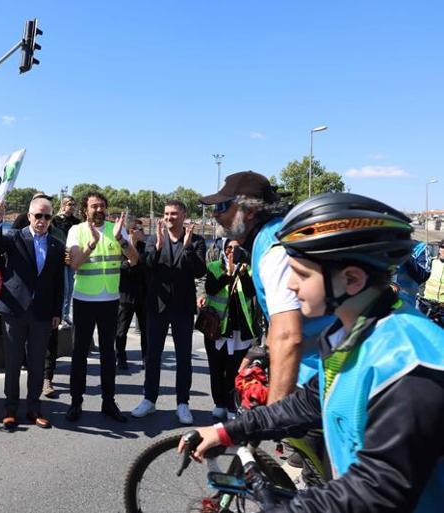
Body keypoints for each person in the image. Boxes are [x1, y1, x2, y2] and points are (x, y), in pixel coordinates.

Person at [182, 193, 444, 513]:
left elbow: (377, 491)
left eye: (302, 274)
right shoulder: (351, 331)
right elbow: (308, 401)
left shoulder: (409, 365)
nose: (290, 285)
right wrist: (226, 431)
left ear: (351, 279)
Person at [199, 171, 331, 404]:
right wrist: (262, 351)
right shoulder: (268, 237)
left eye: (222, 207)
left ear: (249, 212)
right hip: (315, 372)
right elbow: (281, 317)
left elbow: (289, 335)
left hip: (323, 377)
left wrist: (273, 412)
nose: (215, 215)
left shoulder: (274, 249)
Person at [64, 191, 139, 423]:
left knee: (108, 354)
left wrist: (121, 239)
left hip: (110, 300)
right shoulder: (76, 231)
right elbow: (74, 264)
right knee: (79, 353)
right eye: (94, 206)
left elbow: (134, 259)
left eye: (102, 206)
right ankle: (76, 402)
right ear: (85, 209)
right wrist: (90, 246)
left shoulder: (116, 228)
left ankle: (109, 402)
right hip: (85, 299)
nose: (99, 210)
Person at [0, 198, 65, 430]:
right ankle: (10, 408)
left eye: (47, 217)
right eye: (38, 216)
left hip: (42, 314)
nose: (42, 221)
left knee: (36, 363)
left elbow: (58, 282)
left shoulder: (55, 245)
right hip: (14, 310)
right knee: (12, 363)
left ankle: (34, 407)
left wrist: (57, 312)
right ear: (29, 216)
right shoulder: (13, 237)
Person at [130, 200, 206, 425]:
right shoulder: (154, 239)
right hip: (157, 306)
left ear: (183, 215)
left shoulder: (196, 241)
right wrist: (160, 246)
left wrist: (188, 246)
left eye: (174, 213)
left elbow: (199, 270)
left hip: (183, 308)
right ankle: (149, 399)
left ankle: (183, 403)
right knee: (153, 356)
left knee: (184, 357)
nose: (169, 217)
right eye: (166, 214)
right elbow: (146, 266)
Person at [200, 238, 256, 420]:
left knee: (235, 370)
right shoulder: (215, 266)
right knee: (216, 368)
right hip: (216, 327)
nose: (233, 251)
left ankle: (233, 405)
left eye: (237, 248)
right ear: (224, 250)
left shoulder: (248, 267)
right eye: (229, 248)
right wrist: (228, 275)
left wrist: (243, 271)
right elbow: (211, 288)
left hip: (239, 328)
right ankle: (219, 403)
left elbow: (250, 292)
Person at [115, 218, 148, 370]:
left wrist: (133, 264)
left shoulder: (145, 247)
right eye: (141, 230)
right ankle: (120, 358)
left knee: (146, 331)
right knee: (121, 331)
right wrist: (129, 264)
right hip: (125, 295)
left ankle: (146, 359)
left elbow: (146, 267)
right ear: (132, 231)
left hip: (143, 294)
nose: (144, 233)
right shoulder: (121, 247)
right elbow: (119, 268)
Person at [53, 196, 81, 324]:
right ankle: (60, 315)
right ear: (63, 205)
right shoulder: (55, 220)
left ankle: (65, 315)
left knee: (70, 288)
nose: (72, 207)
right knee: (63, 288)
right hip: (59, 257)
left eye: (73, 204)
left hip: (71, 256)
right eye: (69, 204)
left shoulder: (76, 221)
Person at [419, 240, 444, 325]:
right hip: (426, 304)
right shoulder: (430, 263)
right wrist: (420, 295)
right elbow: (421, 280)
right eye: (442, 247)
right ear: (439, 249)